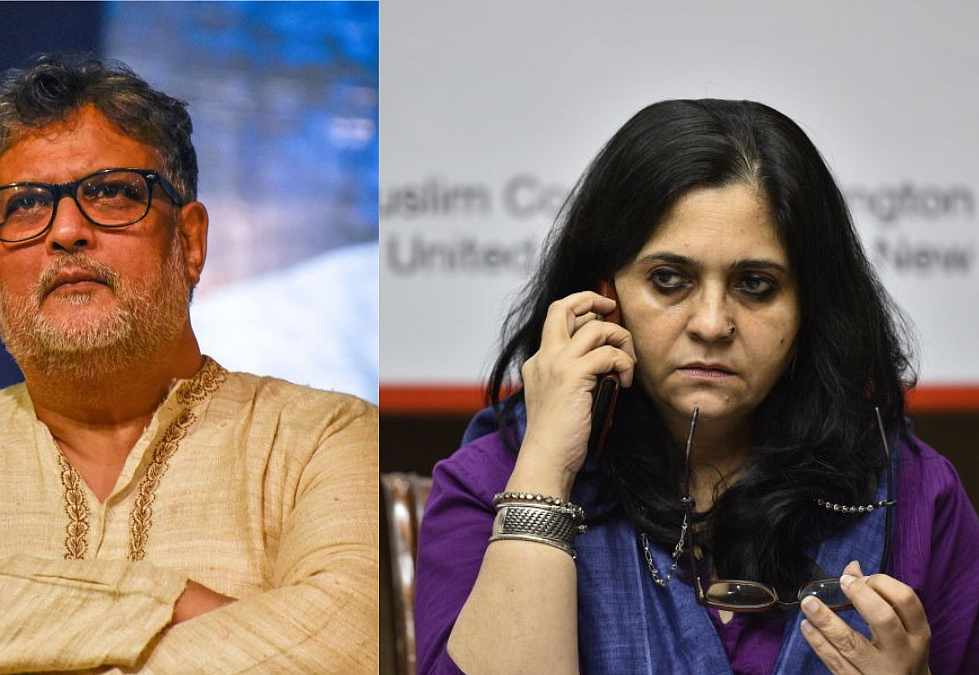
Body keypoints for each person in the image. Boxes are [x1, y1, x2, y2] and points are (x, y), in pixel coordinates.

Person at [0, 54, 377, 674]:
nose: (66, 230)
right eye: (25, 205)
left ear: (191, 242)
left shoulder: (322, 439)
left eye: (113, 193)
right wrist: (163, 604)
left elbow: (348, 647)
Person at [414, 99, 979, 675]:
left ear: (810, 305)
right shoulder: (493, 480)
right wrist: (545, 471)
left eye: (756, 285)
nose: (711, 323)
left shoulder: (914, 495)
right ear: (603, 294)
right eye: (668, 280)